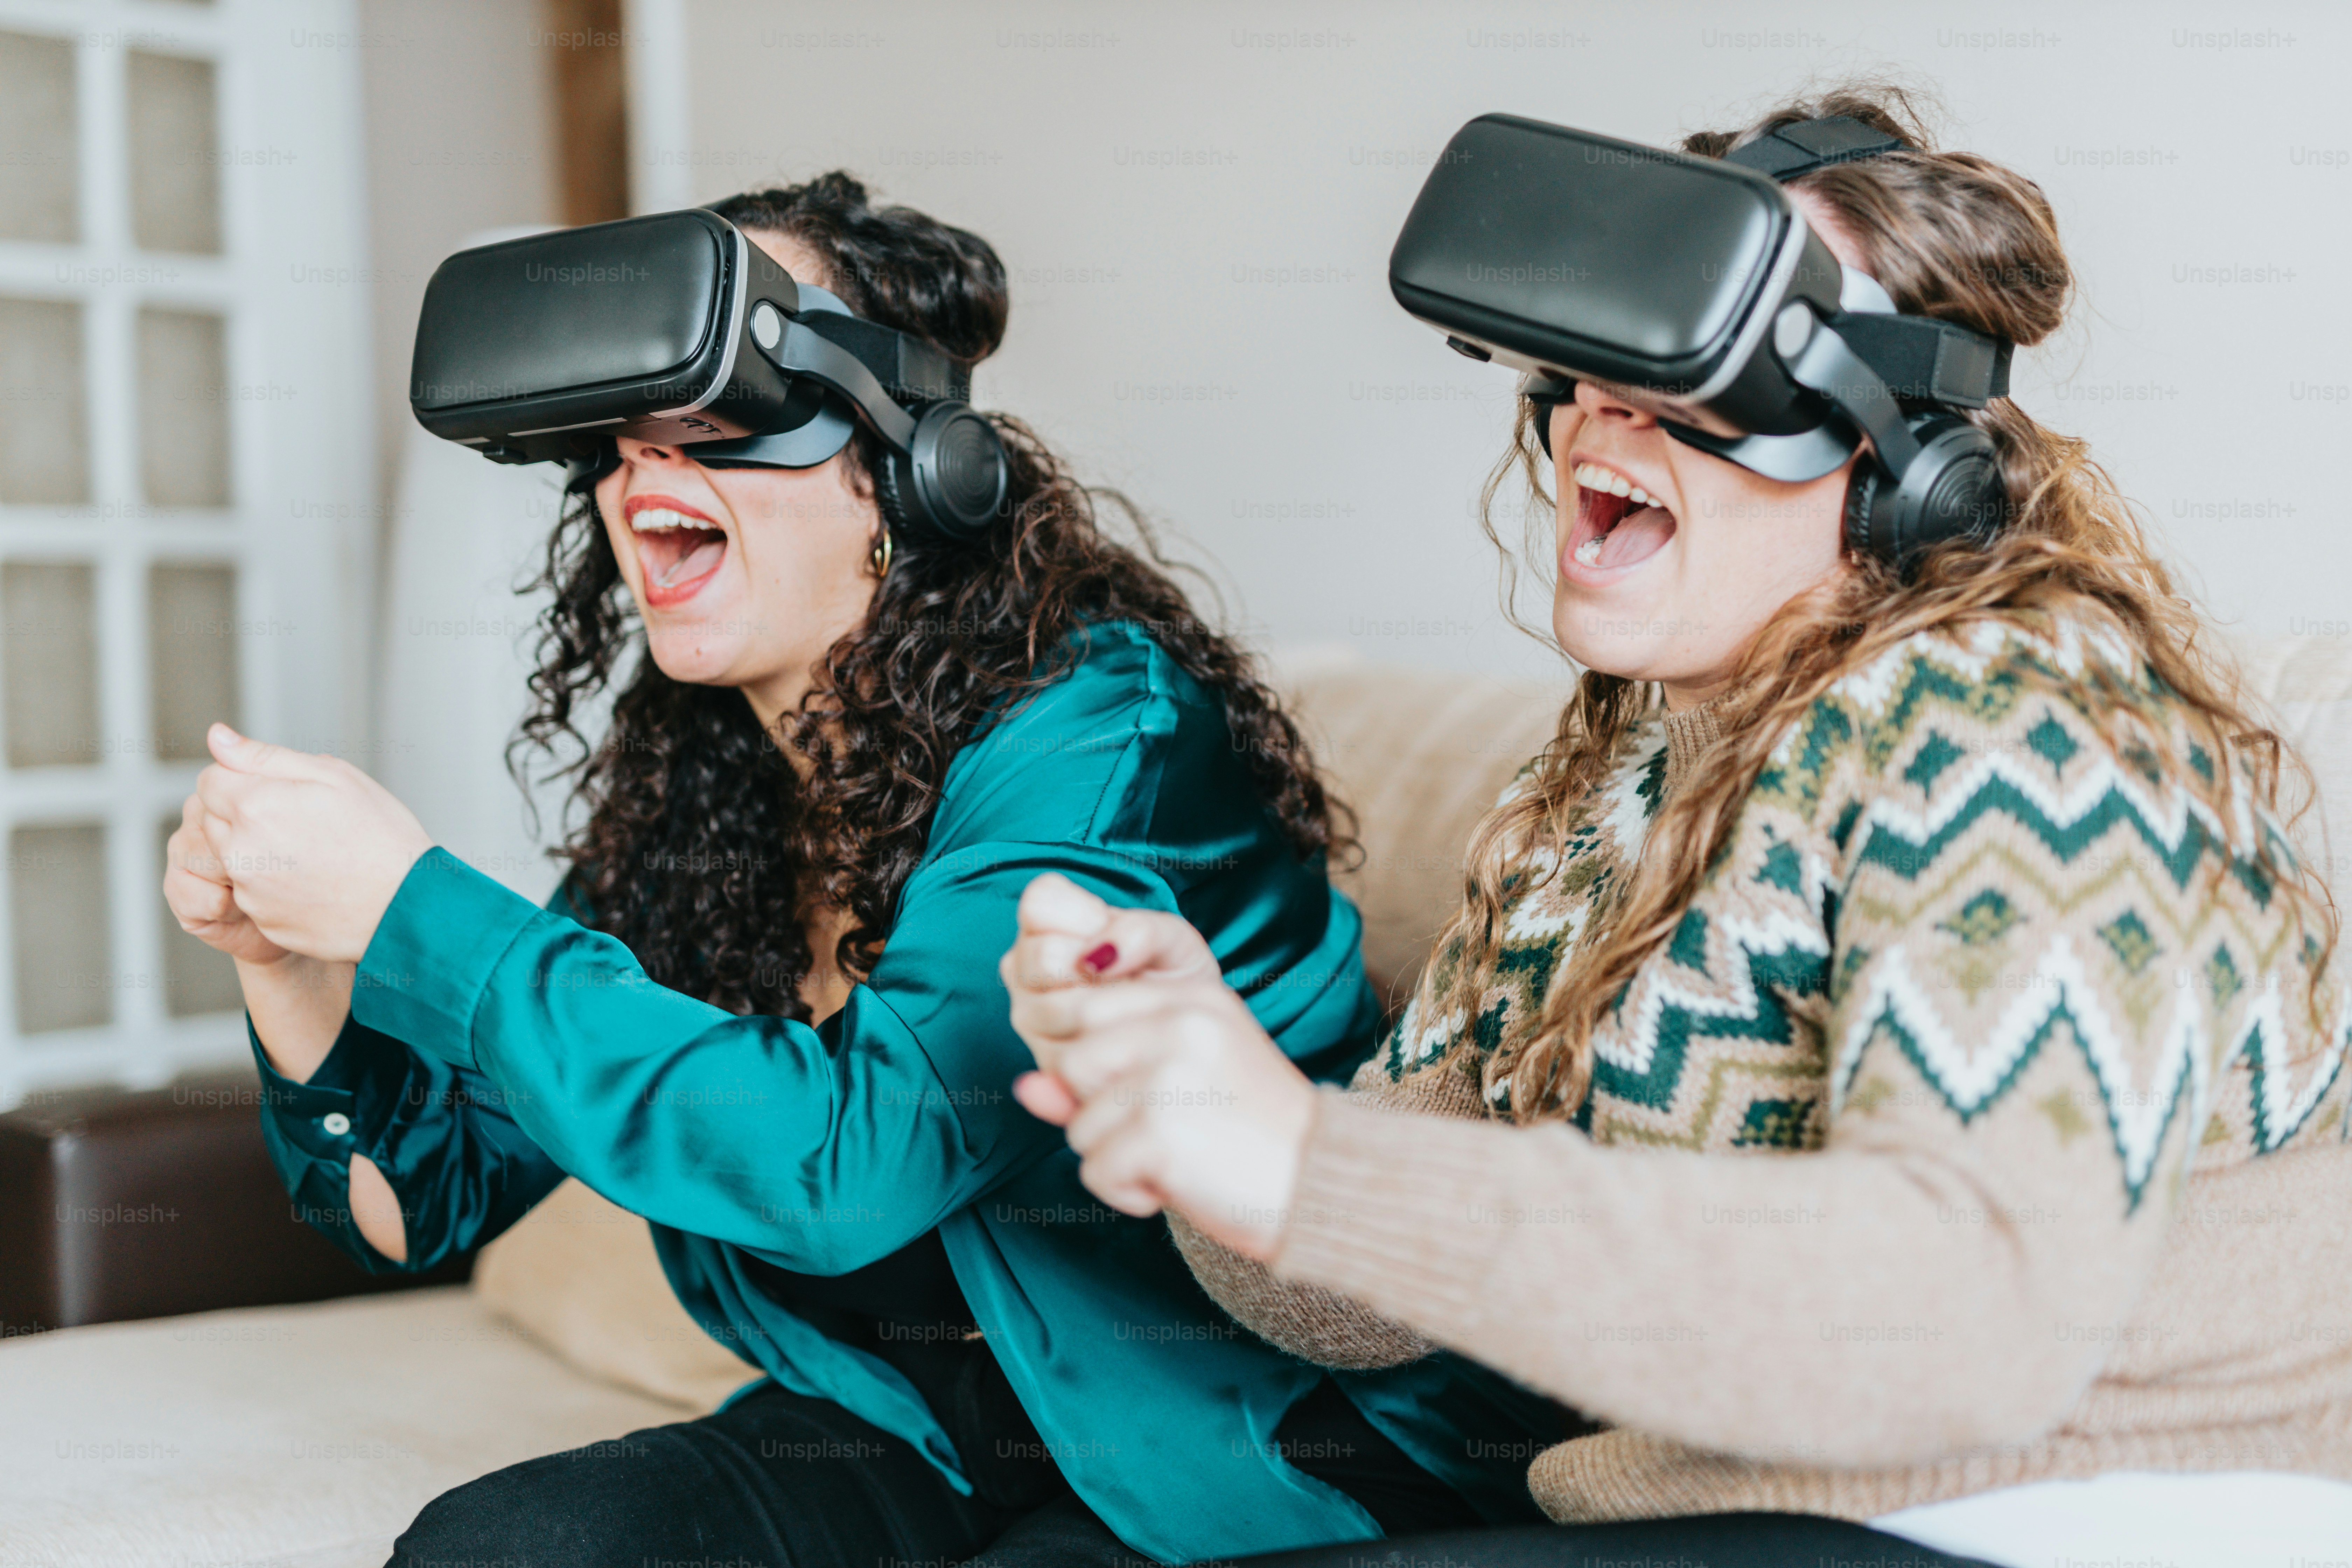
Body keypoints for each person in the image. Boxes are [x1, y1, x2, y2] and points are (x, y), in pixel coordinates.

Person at [1002, 89, 2352, 1564]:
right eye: (1613, 345)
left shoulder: (2027, 727)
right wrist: (1215, 1096)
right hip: (1742, 1512)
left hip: (2064, 1507)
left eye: (1716, 352)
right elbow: (1353, 1304)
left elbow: (1967, 1315)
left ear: (1902, 459)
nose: (1611, 401)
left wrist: (1302, 1166)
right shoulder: (1613, 786)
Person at [162, 175, 1556, 1568]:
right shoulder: (703, 787)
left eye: (725, 415)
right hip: (920, 1428)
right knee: (494, 1552)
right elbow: (425, 1200)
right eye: (620, 439)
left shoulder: (1099, 731)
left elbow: (854, 1160)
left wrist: (414, 905)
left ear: (909, 465)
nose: (645, 473)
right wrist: (283, 962)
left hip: (1233, 1448)